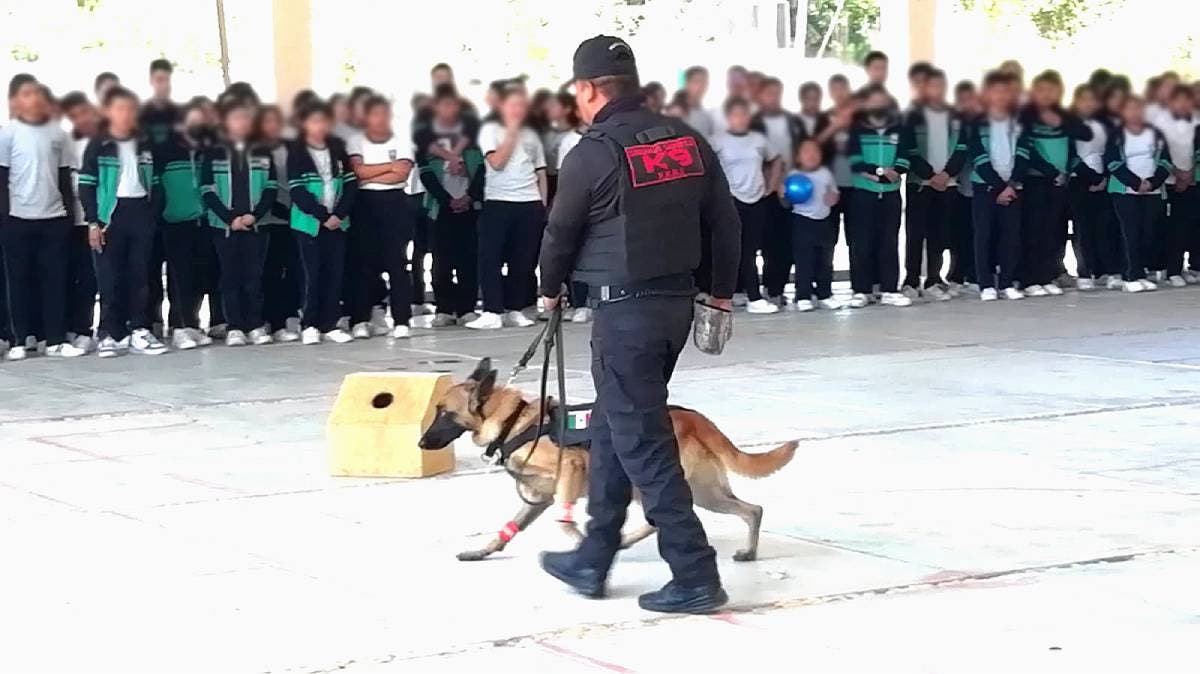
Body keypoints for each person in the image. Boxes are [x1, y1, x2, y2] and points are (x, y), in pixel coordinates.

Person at [537, 35, 741, 615]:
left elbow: (559, 233)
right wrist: (720, 296)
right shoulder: (684, 140)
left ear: (588, 89)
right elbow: (724, 222)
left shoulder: (592, 152)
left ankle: (695, 571)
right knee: (612, 424)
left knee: (642, 440)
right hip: (675, 307)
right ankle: (594, 554)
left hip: (624, 313)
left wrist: (548, 290)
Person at [0, 74, 85, 360]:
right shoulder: (8, 134)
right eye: (26, 94)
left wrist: (68, 219)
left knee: (55, 280)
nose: (33, 99)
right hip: (17, 218)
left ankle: (56, 339)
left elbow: (64, 177)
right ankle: (20, 340)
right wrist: (5, 219)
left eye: (37, 94)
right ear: (15, 101)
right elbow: (2, 180)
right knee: (19, 281)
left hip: (54, 218)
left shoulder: (58, 134)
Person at [79, 85, 168, 357]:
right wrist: (93, 221)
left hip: (140, 210)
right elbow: (86, 184)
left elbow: (157, 182)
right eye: (120, 109)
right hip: (110, 216)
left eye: (131, 109)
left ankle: (139, 329)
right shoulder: (99, 144)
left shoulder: (145, 142)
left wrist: (153, 214)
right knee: (109, 275)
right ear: (108, 112)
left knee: (140, 274)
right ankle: (109, 333)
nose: (126, 114)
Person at [467, 81, 546, 330]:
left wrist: (542, 205)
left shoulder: (532, 135)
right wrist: (511, 132)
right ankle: (492, 310)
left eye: (521, 105)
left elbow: (541, 171)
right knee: (490, 257)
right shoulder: (490, 130)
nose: (517, 109)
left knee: (522, 260)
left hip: (529, 202)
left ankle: (515, 308)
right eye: (512, 104)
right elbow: (497, 162)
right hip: (498, 201)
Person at [200, 96, 278, 347]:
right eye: (235, 118)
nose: (241, 122)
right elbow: (207, 190)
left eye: (245, 117)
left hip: (257, 224)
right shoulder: (214, 152)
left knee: (254, 276)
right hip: (224, 227)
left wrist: (254, 215)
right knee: (230, 276)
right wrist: (230, 218)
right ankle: (234, 326)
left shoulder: (263, 151)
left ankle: (255, 324)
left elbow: (271, 187)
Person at [287, 100, 358, 344]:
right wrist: (323, 216)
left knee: (334, 273)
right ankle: (309, 324)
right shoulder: (296, 152)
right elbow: (297, 191)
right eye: (314, 121)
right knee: (311, 274)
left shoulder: (338, 149)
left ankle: (331, 323)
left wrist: (339, 214)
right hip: (309, 224)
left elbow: (350, 184)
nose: (320, 126)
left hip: (338, 222)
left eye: (323, 121)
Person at [347, 95, 416, 340]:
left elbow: (401, 174)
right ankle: (361, 319)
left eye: (385, 114)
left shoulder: (403, 141)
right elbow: (356, 172)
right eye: (375, 114)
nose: (381, 119)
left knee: (397, 264)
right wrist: (388, 166)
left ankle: (402, 320)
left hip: (394, 203)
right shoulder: (355, 141)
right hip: (364, 204)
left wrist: (370, 173)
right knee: (363, 264)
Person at [1018, 70, 1092, 297]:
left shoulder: (1064, 116)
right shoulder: (1026, 116)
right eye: (1041, 90)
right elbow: (1026, 151)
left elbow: (1085, 134)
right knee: (1033, 230)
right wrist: (1050, 171)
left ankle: (1047, 275)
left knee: (1052, 231)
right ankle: (1029, 279)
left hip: (1060, 182)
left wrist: (1062, 121)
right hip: (1035, 180)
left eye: (1052, 90)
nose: (1047, 95)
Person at [417, 84, 484, 327]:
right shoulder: (426, 139)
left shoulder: (474, 139)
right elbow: (425, 173)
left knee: (468, 257)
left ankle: (467, 307)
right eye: (444, 105)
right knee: (441, 259)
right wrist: (447, 200)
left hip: (469, 206)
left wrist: (469, 196)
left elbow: (482, 170)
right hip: (440, 206)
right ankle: (444, 308)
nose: (449, 109)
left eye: (453, 104)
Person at [900, 68, 967, 301]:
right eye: (931, 86)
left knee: (939, 234)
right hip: (920, 184)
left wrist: (947, 174)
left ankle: (933, 280)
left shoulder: (955, 115)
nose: (936, 90)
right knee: (915, 234)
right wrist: (930, 175)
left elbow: (962, 148)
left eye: (940, 85)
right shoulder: (911, 115)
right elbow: (909, 149)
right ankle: (911, 280)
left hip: (948, 185)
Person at [712, 96, 781, 314]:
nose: (740, 119)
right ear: (728, 117)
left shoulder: (758, 139)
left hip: (756, 198)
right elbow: (706, 165)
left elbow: (776, 160)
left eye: (744, 115)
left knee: (751, 248)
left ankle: (745, 293)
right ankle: (752, 295)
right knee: (736, 249)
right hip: (732, 199)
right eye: (736, 115)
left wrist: (772, 184)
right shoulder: (717, 140)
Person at [846, 85, 912, 308]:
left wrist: (892, 173)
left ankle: (889, 289)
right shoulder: (857, 129)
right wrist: (880, 173)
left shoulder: (900, 128)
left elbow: (905, 157)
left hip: (891, 194)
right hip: (863, 193)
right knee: (861, 243)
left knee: (889, 242)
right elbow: (854, 161)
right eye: (873, 101)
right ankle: (861, 290)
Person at [153, 101, 213, 350]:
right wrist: (162, 212)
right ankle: (178, 326)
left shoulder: (205, 151)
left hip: (201, 220)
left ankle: (193, 324)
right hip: (174, 221)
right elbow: (156, 185)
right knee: (179, 276)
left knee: (198, 275)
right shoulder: (165, 150)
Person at [968, 71, 1031, 302]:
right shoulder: (976, 122)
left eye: (1006, 92)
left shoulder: (1019, 122)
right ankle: (986, 284)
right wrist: (998, 187)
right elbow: (978, 156)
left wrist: (1011, 184)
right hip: (985, 187)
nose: (1001, 96)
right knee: (984, 236)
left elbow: (1024, 153)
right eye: (996, 91)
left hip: (1014, 188)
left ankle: (1007, 282)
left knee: (1010, 236)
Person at [1105, 95, 1172, 293]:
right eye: (1131, 108)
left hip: (1152, 191)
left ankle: (1140, 272)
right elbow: (1112, 162)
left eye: (1139, 108)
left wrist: (1152, 183)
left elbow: (1166, 161)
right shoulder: (1116, 134)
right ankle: (1129, 276)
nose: (1135, 113)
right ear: (1123, 112)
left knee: (1146, 233)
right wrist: (1134, 183)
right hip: (1125, 191)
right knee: (1130, 233)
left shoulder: (1156, 134)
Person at [753, 77, 807, 305]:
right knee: (767, 243)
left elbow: (806, 151)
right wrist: (771, 182)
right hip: (765, 190)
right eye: (769, 94)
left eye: (777, 93)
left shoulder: (793, 121)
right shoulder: (753, 123)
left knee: (787, 243)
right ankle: (766, 287)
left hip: (793, 189)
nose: (773, 98)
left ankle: (779, 288)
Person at [59, 91, 101, 352]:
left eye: (83, 112)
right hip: (66, 220)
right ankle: (67, 327)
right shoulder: (65, 141)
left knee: (89, 278)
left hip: (92, 221)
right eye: (73, 115)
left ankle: (85, 328)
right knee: (68, 275)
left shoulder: (101, 142)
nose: (79, 119)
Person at [255, 104, 301, 342]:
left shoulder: (291, 149)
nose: (272, 126)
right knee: (269, 272)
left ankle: (288, 317)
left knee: (293, 269)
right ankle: (269, 320)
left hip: (294, 217)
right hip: (268, 219)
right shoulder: (256, 152)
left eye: (276, 121)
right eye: (267, 121)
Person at [1067, 84, 1117, 291]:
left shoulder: (1105, 124)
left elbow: (1111, 151)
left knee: (1104, 228)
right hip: (1079, 180)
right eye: (1084, 99)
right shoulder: (1069, 124)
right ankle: (1085, 271)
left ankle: (1106, 270)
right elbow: (1069, 155)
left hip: (1103, 180)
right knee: (1083, 229)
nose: (1089, 103)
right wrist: (1091, 178)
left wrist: (1104, 177)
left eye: (1092, 99)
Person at [789, 139, 840, 311]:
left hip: (824, 222)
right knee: (804, 261)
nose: (811, 155)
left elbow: (834, 192)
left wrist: (833, 197)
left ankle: (825, 294)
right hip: (802, 221)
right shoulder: (793, 175)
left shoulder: (825, 173)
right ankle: (803, 295)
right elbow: (785, 197)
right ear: (798, 157)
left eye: (815, 151)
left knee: (825, 261)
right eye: (806, 151)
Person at [1159, 85, 1198, 286]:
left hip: (1193, 180)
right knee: (1176, 228)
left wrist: (1190, 173)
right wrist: (1178, 174)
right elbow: (1161, 155)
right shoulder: (1162, 126)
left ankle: (1193, 267)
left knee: (1193, 226)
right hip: (1171, 182)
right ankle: (1172, 270)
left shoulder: (1197, 123)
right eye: (1178, 100)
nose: (1183, 104)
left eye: (1186, 100)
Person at [948, 80, 981, 292]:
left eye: (970, 99)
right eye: (962, 100)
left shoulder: (983, 122)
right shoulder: (953, 122)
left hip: (980, 185)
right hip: (957, 185)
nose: (966, 104)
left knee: (978, 232)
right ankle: (957, 273)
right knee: (958, 234)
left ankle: (976, 273)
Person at [140, 58, 178, 148]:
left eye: (167, 80)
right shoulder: (139, 114)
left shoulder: (181, 115)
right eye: (160, 80)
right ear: (151, 81)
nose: (165, 85)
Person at [681, 66, 714, 138]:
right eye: (696, 82)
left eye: (704, 82)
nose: (701, 86)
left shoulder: (706, 116)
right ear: (687, 84)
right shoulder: (676, 113)